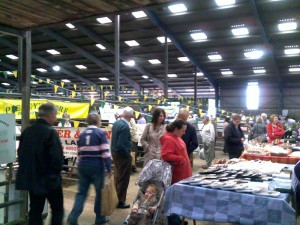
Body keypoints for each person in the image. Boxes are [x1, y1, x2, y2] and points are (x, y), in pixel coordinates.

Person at [15, 103, 64, 225]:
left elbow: (20, 153)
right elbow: (57, 159)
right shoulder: (50, 132)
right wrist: (55, 175)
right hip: (50, 180)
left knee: (35, 211)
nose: (56, 118)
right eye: (55, 115)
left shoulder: (27, 131)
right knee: (57, 209)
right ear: (51, 115)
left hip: (32, 179)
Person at [67, 114, 112, 225]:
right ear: (98, 121)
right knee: (99, 193)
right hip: (97, 165)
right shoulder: (101, 133)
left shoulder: (82, 134)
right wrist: (109, 169)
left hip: (83, 165)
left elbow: (79, 152)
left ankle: (73, 217)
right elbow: (105, 153)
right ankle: (100, 217)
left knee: (81, 193)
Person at [160, 120, 192, 225]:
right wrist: (180, 159)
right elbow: (165, 155)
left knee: (177, 200)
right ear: (176, 129)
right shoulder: (169, 139)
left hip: (182, 173)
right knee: (174, 201)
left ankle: (177, 220)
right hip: (177, 175)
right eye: (182, 131)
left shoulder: (176, 137)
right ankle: (174, 222)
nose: (184, 133)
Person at [111, 107, 134, 209]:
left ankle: (116, 198)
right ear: (130, 116)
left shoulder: (117, 123)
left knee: (117, 176)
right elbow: (121, 144)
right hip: (122, 155)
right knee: (123, 178)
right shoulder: (125, 126)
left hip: (115, 152)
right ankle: (120, 201)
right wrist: (128, 155)